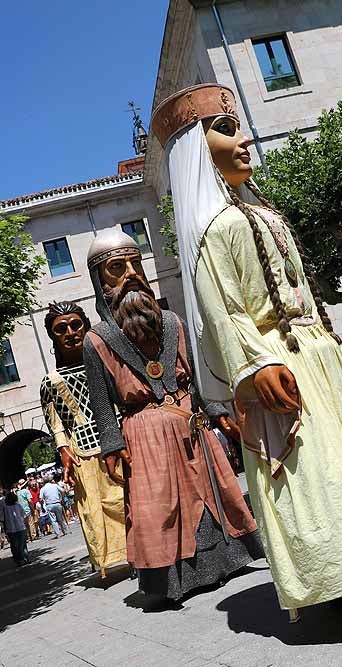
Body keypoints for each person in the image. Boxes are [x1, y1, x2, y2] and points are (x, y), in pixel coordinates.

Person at [152, 83, 342, 620]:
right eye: (225, 130)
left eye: (239, 127)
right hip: (278, 364)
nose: (244, 140)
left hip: (317, 357)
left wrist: (335, 343)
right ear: (197, 150)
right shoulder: (209, 232)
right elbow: (225, 312)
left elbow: (302, 291)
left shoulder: (262, 211)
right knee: (315, 473)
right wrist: (254, 366)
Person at [82, 228, 264, 604]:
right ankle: (172, 581)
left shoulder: (172, 322)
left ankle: (230, 559)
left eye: (135, 263)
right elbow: (101, 402)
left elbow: (196, 376)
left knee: (214, 493)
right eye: (118, 268)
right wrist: (112, 445)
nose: (131, 273)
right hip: (143, 434)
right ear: (101, 280)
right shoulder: (96, 339)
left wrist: (216, 410)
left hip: (190, 422)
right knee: (159, 507)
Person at [40, 300, 128, 575]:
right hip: (83, 453)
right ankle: (104, 561)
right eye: (61, 329)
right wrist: (63, 450)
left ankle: (139, 549)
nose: (70, 333)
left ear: (86, 326)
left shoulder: (106, 365)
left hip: (118, 441)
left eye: (76, 325)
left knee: (126, 499)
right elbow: (55, 423)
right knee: (93, 510)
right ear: (53, 336)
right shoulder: (50, 381)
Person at [0, 491, 29, 566]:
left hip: (11, 529)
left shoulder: (5, 508)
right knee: (23, 544)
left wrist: (5, 529)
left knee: (14, 545)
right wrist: (26, 525)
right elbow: (24, 515)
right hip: (21, 527)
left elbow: (1, 519)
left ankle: (18, 560)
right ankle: (25, 558)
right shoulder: (18, 505)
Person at [38, 473, 68, 539]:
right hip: (57, 502)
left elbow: (40, 499)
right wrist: (62, 498)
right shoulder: (54, 486)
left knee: (53, 520)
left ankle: (58, 534)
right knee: (60, 518)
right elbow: (63, 491)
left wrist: (42, 505)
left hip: (49, 504)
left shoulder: (42, 489)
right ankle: (64, 531)